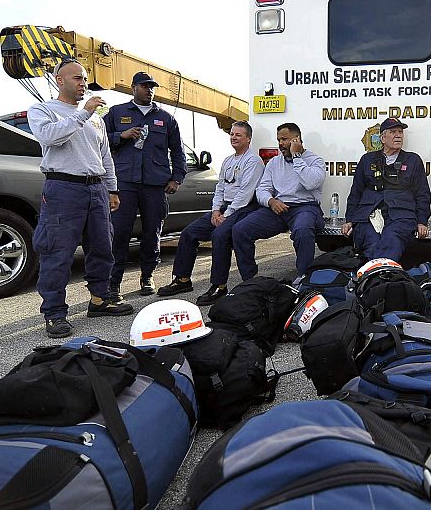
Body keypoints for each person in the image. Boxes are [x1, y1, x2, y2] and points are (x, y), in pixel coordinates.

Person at [27, 59, 133, 338]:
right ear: (58, 81)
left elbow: (105, 156)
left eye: (84, 79)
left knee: (102, 247)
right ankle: (55, 313)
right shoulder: (43, 110)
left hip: (96, 189)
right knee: (57, 253)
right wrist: (83, 114)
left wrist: (112, 189)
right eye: (76, 78)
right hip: (63, 189)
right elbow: (49, 137)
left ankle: (100, 299)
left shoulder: (96, 119)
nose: (83, 83)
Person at [157, 121, 264, 305]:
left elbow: (245, 194)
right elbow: (220, 188)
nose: (233, 137)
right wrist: (215, 211)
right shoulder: (228, 160)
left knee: (220, 235)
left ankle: (219, 286)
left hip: (244, 208)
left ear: (248, 138)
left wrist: (226, 215)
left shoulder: (253, 162)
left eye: (238, 135)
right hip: (224, 209)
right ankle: (182, 279)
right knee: (189, 233)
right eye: (232, 134)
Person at [103, 71, 187, 298]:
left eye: (152, 87)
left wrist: (177, 178)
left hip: (154, 185)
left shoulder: (166, 118)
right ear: (133, 87)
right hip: (124, 183)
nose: (149, 90)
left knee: (152, 233)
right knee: (119, 233)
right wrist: (121, 135)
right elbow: (98, 139)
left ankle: (147, 276)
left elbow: (178, 151)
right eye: (144, 86)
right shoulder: (116, 113)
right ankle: (113, 282)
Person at [232, 123, 326, 279]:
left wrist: (296, 157)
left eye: (284, 139)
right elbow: (262, 189)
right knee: (240, 229)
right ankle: (250, 281)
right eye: (278, 140)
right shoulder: (274, 162)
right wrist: (270, 201)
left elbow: (311, 182)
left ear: (297, 140)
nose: (281, 144)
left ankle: (304, 280)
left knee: (303, 230)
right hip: (278, 207)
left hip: (305, 207)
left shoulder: (315, 160)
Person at [341, 117, 431, 261]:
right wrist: (350, 219)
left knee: (391, 241)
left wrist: (422, 221)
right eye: (393, 131)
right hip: (369, 213)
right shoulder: (367, 160)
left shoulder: (413, 160)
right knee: (371, 244)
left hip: (401, 216)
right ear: (382, 138)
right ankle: (373, 279)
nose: (398, 135)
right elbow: (355, 193)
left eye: (400, 132)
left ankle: (381, 276)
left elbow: (422, 194)